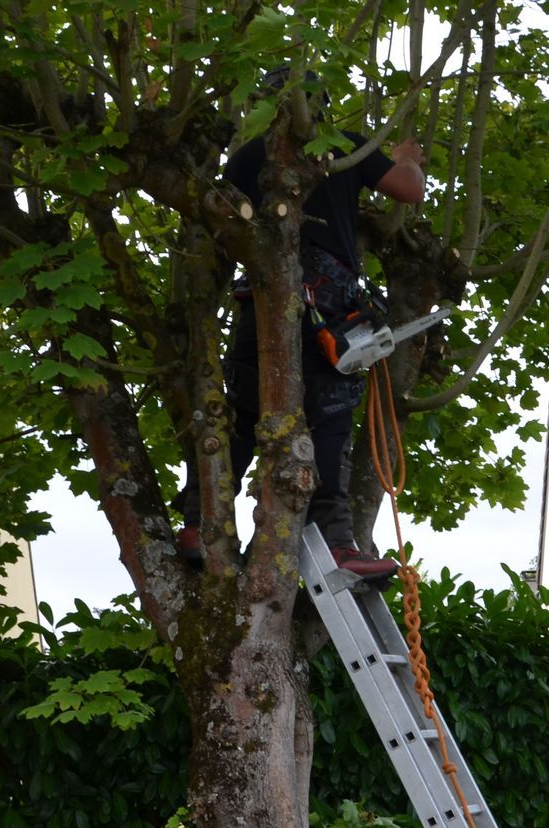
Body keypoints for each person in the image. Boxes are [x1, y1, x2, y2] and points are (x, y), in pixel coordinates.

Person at [175, 91, 426, 582]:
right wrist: (404, 160)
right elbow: (409, 191)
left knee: (243, 412)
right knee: (330, 412)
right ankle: (335, 543)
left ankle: (197, 526)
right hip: (324, 297)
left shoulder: (246, 158)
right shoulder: (343, 146)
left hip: (261, 298)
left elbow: (220, 222)